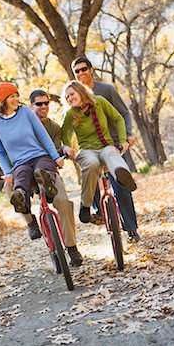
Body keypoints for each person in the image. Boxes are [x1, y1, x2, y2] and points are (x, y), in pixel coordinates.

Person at [0, 85, 83, 266]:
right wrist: (6, 172)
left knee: (61, 198)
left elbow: (43, 135)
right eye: (12, 96)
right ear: (3, 100)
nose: (17, 99)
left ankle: (71, 248)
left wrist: (56, 157)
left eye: (17, 95)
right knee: (19, 184)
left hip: (41, 157)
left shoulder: (25, 112)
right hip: (19, 165)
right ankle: (29, 217)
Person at [71, 56, 140, 241]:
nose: (80, 73)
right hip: (91, 147)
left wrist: (128, 136)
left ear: (91, 69)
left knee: (120, 185)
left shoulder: (105, 90)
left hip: (114, 144)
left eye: (83, 69)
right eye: (76, 71)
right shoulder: (73, 98)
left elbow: (123, 114)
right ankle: (97, 210)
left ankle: (131, 228)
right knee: (89, 170)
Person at [61, 80, 137, 227]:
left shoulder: (100, 102)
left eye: (71, 94)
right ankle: (86, 205)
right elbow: (64, 134)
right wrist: (68, 148)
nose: (70, 99)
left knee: (111, 154)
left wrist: (123, 141)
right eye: (67, 97)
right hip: (87, 150)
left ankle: (123, 176)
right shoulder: (70, 113)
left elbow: (118, 118)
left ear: (80, 91)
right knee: (92, 163)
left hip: (106, 146)